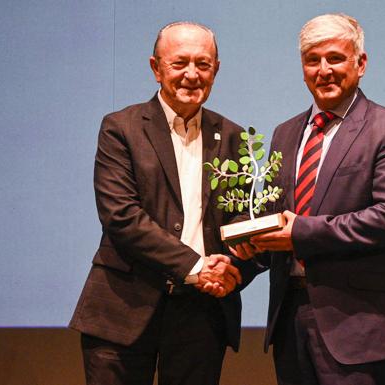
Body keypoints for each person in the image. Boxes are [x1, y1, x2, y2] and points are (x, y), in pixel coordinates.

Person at [236, 13, 385, 385]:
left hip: (355, 325)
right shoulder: (285, 133)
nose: (324, 70)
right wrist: (248, 249)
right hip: (289, 317)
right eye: (312, 60)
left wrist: (301, 232)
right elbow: (279, 219)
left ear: (361, 63)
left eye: (335, 58)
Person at [69, 21, 251, 385]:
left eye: (203, 64)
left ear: (216, 70)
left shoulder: (234, 136)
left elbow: (244, 222)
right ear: (156, 68)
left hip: (202, 313)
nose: (191, 74)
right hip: (124, 308)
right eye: (179, 63)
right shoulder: (121, 127)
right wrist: (196, 265)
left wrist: (233, 269)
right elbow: (121, 217)